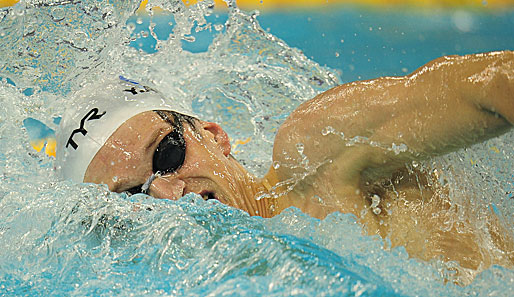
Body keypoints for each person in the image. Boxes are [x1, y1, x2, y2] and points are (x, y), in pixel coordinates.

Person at [57, 51, 514, 280]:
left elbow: (494, 87)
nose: (167, 193)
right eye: (132, 198)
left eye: (167, 155)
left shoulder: (317, 155)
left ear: (214, 136)